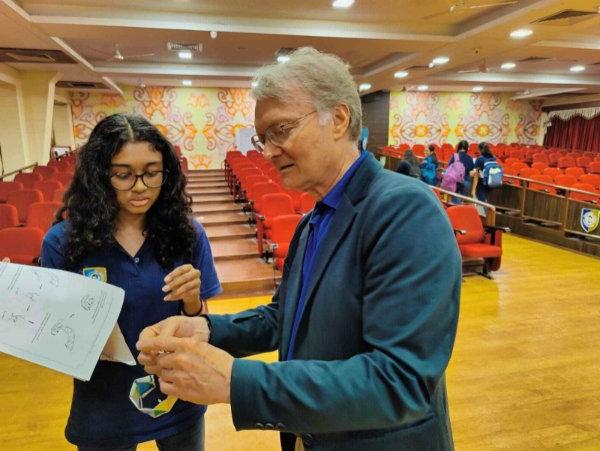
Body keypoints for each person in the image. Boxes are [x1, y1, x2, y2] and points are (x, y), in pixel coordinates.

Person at [137, 47, 461, 451]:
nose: (268, 150)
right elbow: (283, 315)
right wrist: (207, 329)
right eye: (262, 137)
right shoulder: (315, 219)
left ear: (339, 119)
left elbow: (401, 381)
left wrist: (237, 382)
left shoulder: (403, 209)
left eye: (281, 130)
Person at [41, 114, 222, 450]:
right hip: (103, 405)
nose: (140, 186)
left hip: (177, 393)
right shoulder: (64, 242)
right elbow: (58, 338)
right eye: (123, 175)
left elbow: (200, 325)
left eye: (151, 173)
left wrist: (194, 301)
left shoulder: (187, 233)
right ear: (99, 176)